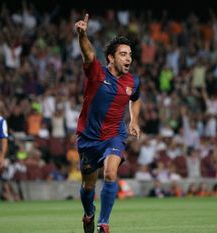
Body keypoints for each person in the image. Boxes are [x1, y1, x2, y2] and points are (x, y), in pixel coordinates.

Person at [75, 14, 141, 233]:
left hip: (114, 135)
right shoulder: (97, 74)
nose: (128, 58)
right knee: (88, 186)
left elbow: (136, 98)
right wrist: (82, 34)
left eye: (129, 55)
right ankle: (89, 214)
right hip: (88, 138)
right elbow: (88, 53)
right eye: (123, 54)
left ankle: (104, 223)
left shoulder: (133, 81)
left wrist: (134, 120)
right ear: (111, 58)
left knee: (111, 174)